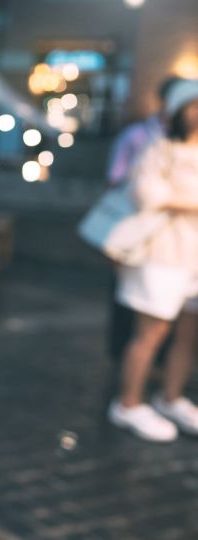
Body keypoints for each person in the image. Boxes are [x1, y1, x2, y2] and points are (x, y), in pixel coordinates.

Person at [109, 79, 198, 443]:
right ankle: (128, 403)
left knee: (188, 334)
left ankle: (172, 397)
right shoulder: (160, 147)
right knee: (151, 333)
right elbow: (146, 193)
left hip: (194, 255)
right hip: (162, 253)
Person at [105, 77, 184, 361]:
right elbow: (116, 178)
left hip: (175, 241)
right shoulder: (140, 137)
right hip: (138, 232)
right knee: (129, 304)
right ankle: (122, 363)